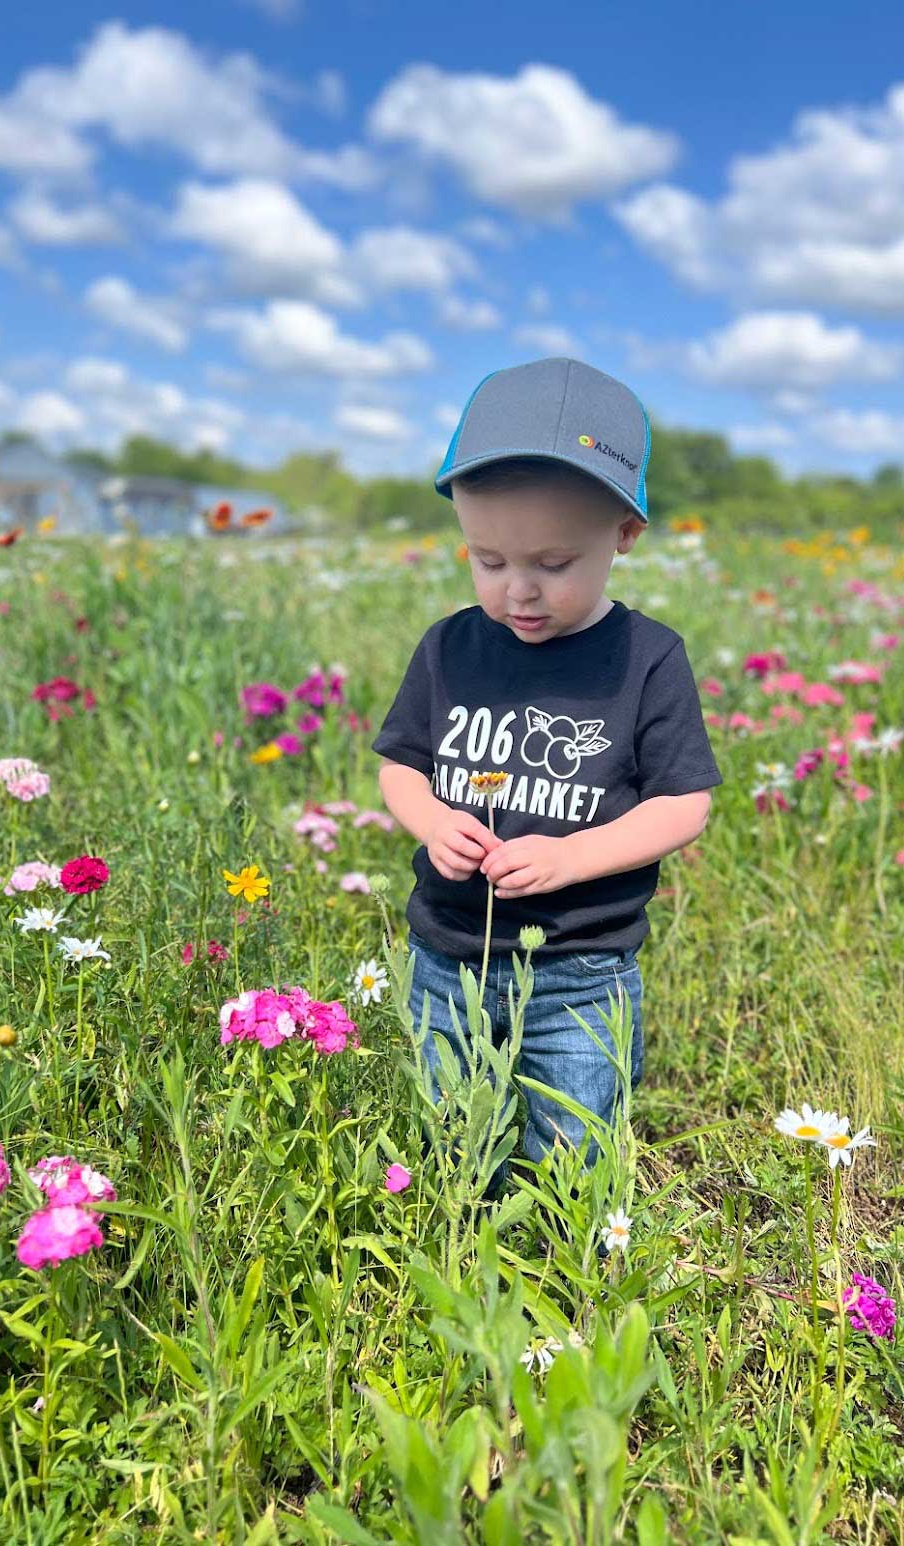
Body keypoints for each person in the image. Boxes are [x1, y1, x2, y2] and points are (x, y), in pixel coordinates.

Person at [371, 357, 724, 1196]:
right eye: (487, 560)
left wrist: (572, 858)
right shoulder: (448, 646)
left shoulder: (647, 658)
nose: (518, 591)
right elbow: (401, 766)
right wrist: (432, 822)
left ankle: (567, 1258)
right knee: (453, 1140)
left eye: (554, 563)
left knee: (572, 1148)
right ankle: (466, 1242)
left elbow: (684, 804)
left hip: (580, 967)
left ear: (625, 533)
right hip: (446, 953)